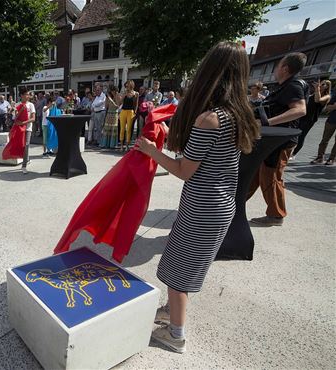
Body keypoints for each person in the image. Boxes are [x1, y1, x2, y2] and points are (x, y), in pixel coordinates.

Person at [135, 41, 260, 354]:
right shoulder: (239, 115)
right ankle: (170, 311)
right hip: (221, 206)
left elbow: (183, 170)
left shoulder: (210, 120)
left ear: (211, 73)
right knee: (186, 269)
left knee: (177, 274)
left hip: (202, 209)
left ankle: (175, 334)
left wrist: (152, 151)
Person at [247, 52, 308, 226]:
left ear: (285, 68)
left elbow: (300, 110)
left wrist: (267, 122)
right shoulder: (286, 86)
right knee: (256, 173)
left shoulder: (293, 86)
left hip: (280, 141)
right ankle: (235, 204)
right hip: (272, 140)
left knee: (271, 176)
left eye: (278, 65)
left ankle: (276, 215)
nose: (275, 69)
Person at [294, 80, 331, 157]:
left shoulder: (327, 96)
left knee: (301, 136)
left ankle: (294, 153)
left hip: (309, 119)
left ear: (327, 87)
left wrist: (317, 89)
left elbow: (317, 100)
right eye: (321, 83)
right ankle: (289, 151)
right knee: (294, 134)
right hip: (301, 116)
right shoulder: (313, 93)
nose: (321, 85)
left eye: (324, 84)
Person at [310, 90, 336, 165]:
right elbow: (327, 108)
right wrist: (334, 106)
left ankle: (332, 158)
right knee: (325, 139)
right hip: (331, 120)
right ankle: (320, 157)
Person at [14, 86, 36, 175]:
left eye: (28, 94)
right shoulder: (17, 104)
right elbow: (15, 117)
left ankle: (24, 166)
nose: (28, 96)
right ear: (22, 95)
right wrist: (21, 110)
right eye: (26, 94)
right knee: (21, 146)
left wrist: (24, 122)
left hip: (28, 128)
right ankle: (27, 159)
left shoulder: (31, 105)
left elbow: (33, 118)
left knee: (26, 145)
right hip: (19, 129)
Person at [119, 80, 138, 151]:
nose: (127, 86)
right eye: (126, 85)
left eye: (128, 85)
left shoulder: (136, 93)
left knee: (129, 129)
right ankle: (121, 146)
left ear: (131, 85)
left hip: (131, 112)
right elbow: (120, 102)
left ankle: (127, 145)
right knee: (122, 129)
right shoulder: (124, 93)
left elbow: (136, 104)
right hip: (123, 111)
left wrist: (135, 112)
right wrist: (123, 96)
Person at [100, 85, 120, 149]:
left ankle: (112, 144)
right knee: (107, 128)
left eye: (113, 90)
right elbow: (106, 107)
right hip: (109, 113)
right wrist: (107, 100)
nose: (112, 92)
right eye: (111, 91)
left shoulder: (117, 96)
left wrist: (111, 99)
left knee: (113, 129)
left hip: (115, 114)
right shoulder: (108, 97)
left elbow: (117, 106)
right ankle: (105, 144)